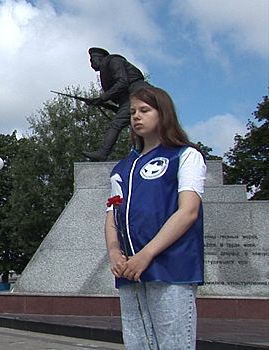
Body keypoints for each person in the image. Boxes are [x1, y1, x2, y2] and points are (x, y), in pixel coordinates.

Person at [105, 86, 205, 349]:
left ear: (163, 113)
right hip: (130, 272)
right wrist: (116, 254)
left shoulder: (185, 155)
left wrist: (145, 255)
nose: (136, 116)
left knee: (174, 343)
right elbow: (111, 215)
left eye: (145, 110)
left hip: (171, 268)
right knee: (138, 343)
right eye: (133, 112)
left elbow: (188, 212)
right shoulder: (122, 168)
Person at [82, 47, 152, 162]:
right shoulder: (108, 66)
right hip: (133, 95)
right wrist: (100, 103)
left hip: (138, 93)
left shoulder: (113, 61)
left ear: (99, 59)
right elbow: (121, 109)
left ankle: (102, 153)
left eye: (92, 61)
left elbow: (122, 82)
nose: (91, 65)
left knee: (116, 124)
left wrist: (102, 98)